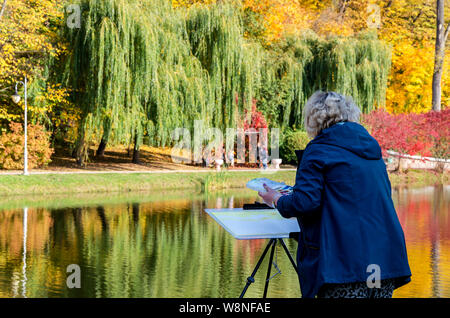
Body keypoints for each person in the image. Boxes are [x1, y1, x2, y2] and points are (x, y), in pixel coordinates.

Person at [258, 91, 411, 298]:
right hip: (382, 261)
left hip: (345, 263)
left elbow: (305, 202)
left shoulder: (319, 149)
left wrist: (276, 199)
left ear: (313, 118)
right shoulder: (371, 150)